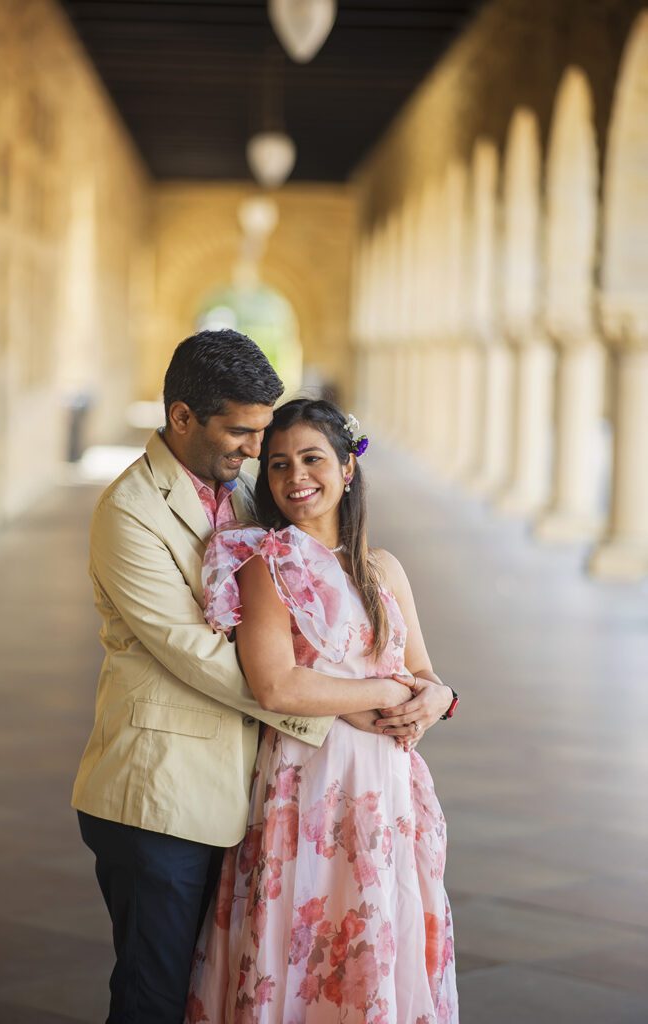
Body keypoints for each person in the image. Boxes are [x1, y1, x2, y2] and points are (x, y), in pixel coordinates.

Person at [71, 331, 425, 1024]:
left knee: (217, 985)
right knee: (154, 994)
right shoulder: (128, 513)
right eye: (241, 432)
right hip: (158, 794)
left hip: (242, 789)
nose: (255, 452)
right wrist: (339, 704)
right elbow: (198, 655)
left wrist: (427, 691)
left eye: (262, 434)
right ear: (181, 417)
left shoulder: (235, 495)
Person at [186, 399, 460, 1023]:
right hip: (310, 783)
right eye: (278, 465)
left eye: (312, 459)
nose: (295, 477)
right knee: (308, 941)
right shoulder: (268, 564)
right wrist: (385, 695)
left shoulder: (383, 568)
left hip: (389, 790)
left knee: (376, 938)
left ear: (347, 469)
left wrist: (438, 697)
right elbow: (276, 686)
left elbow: (424, 672)